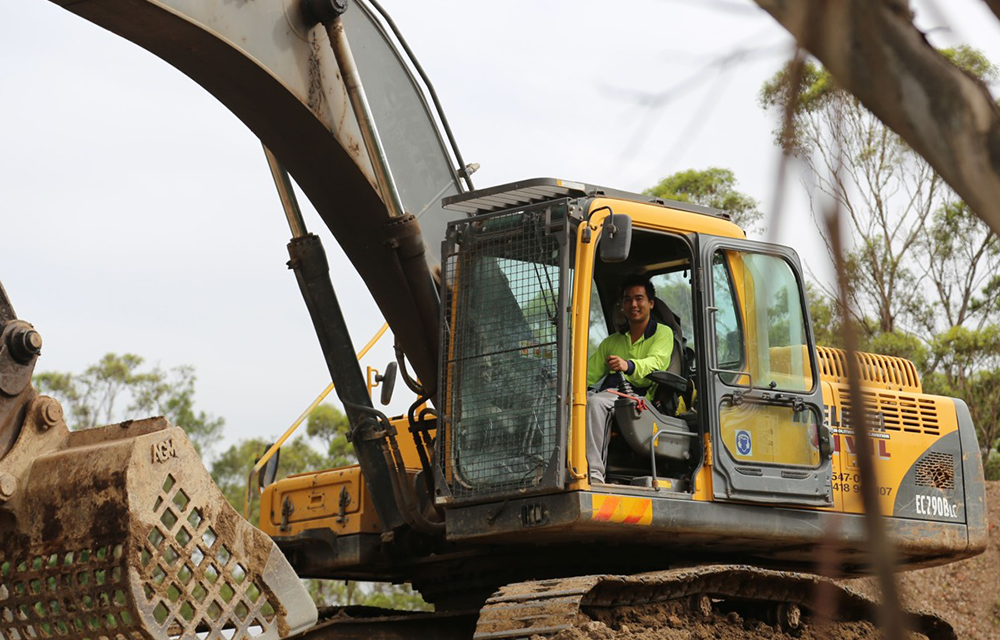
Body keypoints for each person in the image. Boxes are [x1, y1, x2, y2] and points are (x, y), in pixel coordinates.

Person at [586, 275, 673, 484]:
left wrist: (629, 365)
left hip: (639, 400)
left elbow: (656, 363)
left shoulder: (663, 334)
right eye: (627, 299)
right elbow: (588, 373)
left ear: (650, 303)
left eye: (639, 298)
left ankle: (594, 475)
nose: (633, 304)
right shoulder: (612, 342)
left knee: (596, 403)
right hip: (610, 394)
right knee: (577, 400)